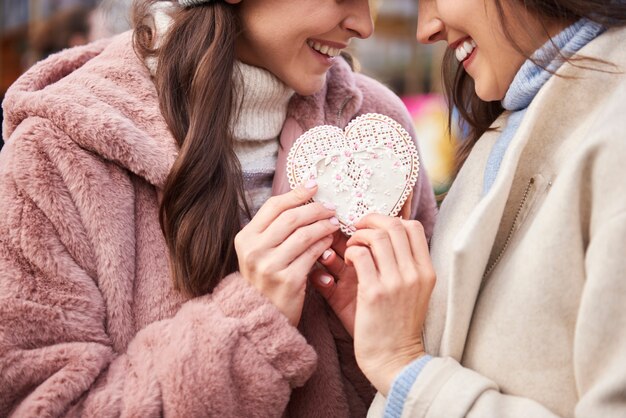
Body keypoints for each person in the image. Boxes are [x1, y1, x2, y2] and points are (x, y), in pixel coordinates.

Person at [0, 0, 437, 416]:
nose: (365, 25)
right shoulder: (54, 154)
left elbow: (432, 363)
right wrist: (249, 322)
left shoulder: (377, 137)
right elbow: (41, 404)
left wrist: (384, 340)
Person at [312, 0, 626, 417]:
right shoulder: (503, 130)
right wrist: (404, 332)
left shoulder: (612, 139)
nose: (426, 30)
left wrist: (404, 367)